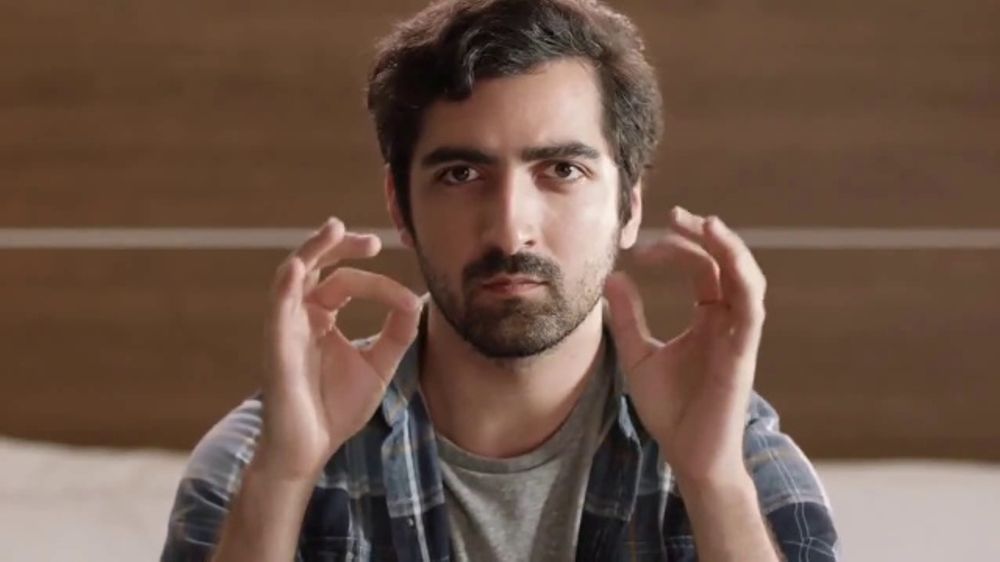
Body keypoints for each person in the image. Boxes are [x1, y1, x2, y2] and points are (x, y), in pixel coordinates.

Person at [161, 1, 839, 560]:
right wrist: (283, 481)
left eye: (562, 171)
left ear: (630, 206)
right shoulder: (262, 456)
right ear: (400, 208)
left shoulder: (735, 454)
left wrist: (712, 481)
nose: (511, 230)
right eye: (461, 174)